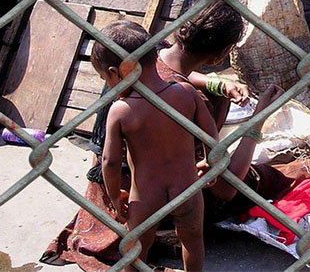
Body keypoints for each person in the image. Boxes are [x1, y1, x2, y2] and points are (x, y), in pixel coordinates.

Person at [155, 0, 310, 223]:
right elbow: (226, 189)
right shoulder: (190, 101)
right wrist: (260, 117)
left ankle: (218, 156)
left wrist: (217, 83)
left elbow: (177, 73)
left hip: (147, 189)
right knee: (262, 177)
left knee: (218, 95)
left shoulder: (149, 61)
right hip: (187, 202)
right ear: (220, 55)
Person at [92, 20, 217, 272]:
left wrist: (115, 196)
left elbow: (110, 161)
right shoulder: (186, 92)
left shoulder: (121, 111)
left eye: (106, 79)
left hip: (145, 195)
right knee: (193, 242)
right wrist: (210, 161)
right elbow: (210, 133)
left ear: (116, 73)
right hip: (187, 187)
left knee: (135, 250)